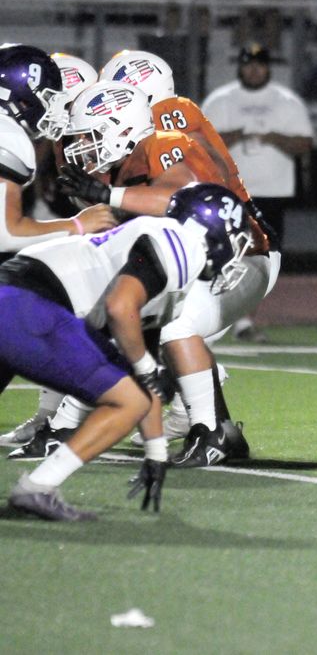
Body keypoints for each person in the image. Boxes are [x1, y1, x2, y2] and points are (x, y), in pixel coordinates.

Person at [48, 80, 271, 467]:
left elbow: (176, 197)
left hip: (237, 259)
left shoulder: (162, 143)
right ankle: (63, 427)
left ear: (120, 128)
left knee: (175, 326)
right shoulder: (120, 172)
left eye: (91, 136)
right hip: (193, 267)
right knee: (115, 317)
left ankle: (213, 432)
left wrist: (109, 198)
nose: (84, 148)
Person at [2, 183, 251, 520]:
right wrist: (148, 367)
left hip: (15, 295)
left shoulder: (159, 256)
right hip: (32, 307)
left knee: (132, 392)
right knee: (126, 401)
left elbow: (141, 381)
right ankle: (37, 489)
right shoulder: (182, 245)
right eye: (235, 238)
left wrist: (156, 452)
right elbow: (120, 307)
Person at [0, 46, 118, 449]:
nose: (52, 109)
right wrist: (75, 226)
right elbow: (5, 232)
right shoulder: (9, 136)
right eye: (48, 98)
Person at [200, 42, 311, 342]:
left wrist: (275, 138)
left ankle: (243, 319)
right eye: (248, 63)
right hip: (229, 189)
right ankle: (222, 318)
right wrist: (232, 137)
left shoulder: (285, 100)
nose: (254, 69)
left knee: (264, 256)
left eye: (259, 63)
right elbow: (197, 142)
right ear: (240, 66)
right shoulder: (221, 100)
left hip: (273, 190)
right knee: (223, 253)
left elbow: (305, 144)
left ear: (268, 67)